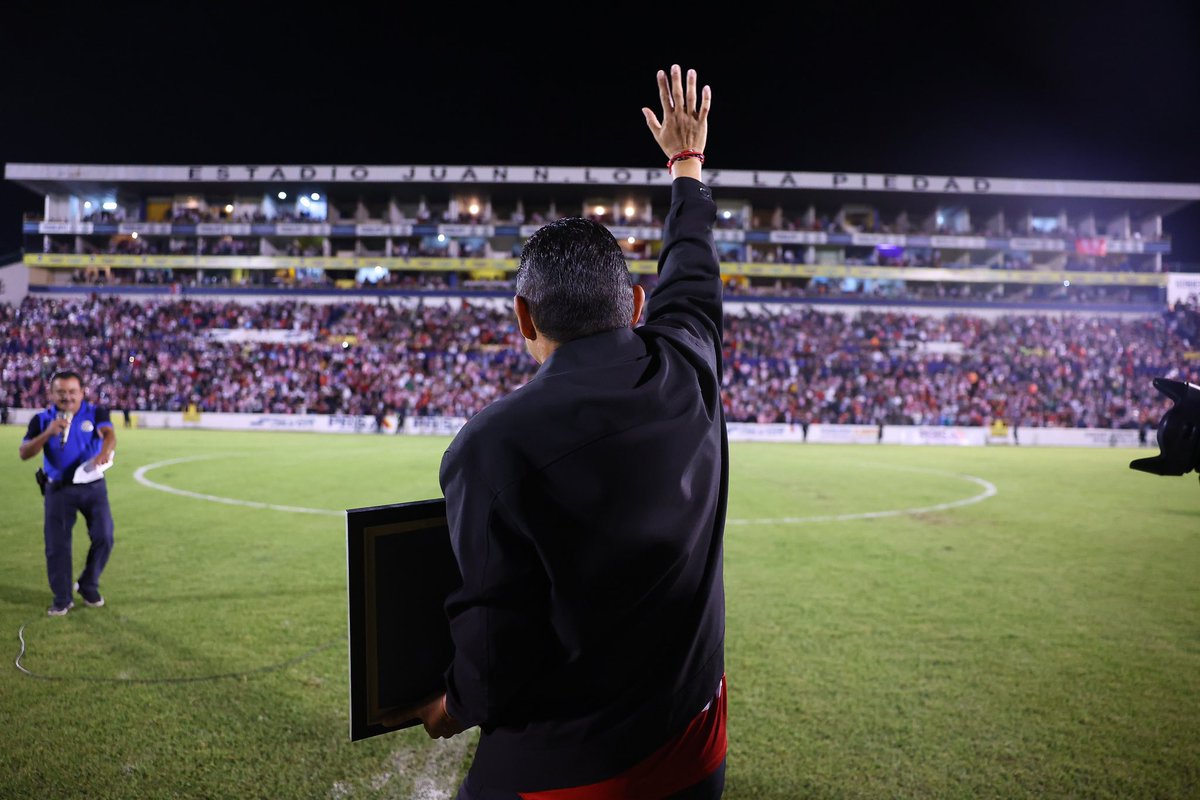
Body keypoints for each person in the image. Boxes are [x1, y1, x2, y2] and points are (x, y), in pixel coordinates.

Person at [388, 65, 728, 799]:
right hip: (697, 745)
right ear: (636, 303)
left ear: (523, 318)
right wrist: (685, 167)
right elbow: (694, 264)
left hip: (576, 772)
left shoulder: (489, 445)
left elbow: (491, 636)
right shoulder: (689, 365)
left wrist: (452, 710)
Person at [19, 370, 117, 616]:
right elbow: (24, 453)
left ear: (82, 392)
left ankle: (88, 584)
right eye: (61, 392)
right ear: (51, 394)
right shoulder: (41, 420)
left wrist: (104, 452)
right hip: (58, 489)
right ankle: (62, 598)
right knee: (57, 546)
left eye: (72, 391)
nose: (67, 397)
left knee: (104, 536)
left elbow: (109, 435)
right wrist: (47, 433)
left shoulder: (96, 412)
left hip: (92, 485)